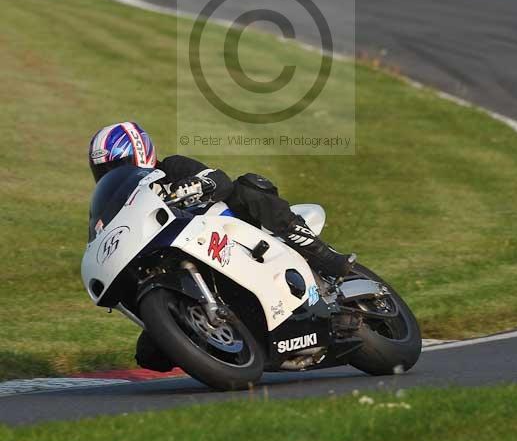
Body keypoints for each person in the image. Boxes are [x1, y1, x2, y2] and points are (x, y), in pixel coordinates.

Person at [88, 121, 355, 371]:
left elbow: (219, 180)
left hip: (231, 233)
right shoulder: (121, 205)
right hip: (183, 261)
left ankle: (322, 254)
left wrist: (196, 184)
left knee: (249, 187)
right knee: (149, 356)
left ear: (139, 152)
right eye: (104, 171)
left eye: (119, 164)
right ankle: (226, 345)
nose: (113, 174)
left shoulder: (172, 168)